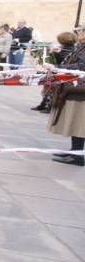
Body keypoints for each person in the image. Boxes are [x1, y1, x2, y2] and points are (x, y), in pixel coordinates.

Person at [48, 27, 85, 167]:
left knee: (79, 123)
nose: (79, 34)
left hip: (80, 91)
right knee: (76, 121)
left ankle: (77, 156)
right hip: (76, 90)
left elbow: (81, 66)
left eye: (81, 32)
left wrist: (57, 68)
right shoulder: (81, 47)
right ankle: (74, 152)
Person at [32, 31, 78, 113]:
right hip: (56, 70)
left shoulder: (69, 49)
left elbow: (62, 60)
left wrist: (54, 53)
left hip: (60, 70)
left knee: (52, 89)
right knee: (48, 87)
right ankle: (43, 104)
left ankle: (48, 107)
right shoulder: (67, 47)